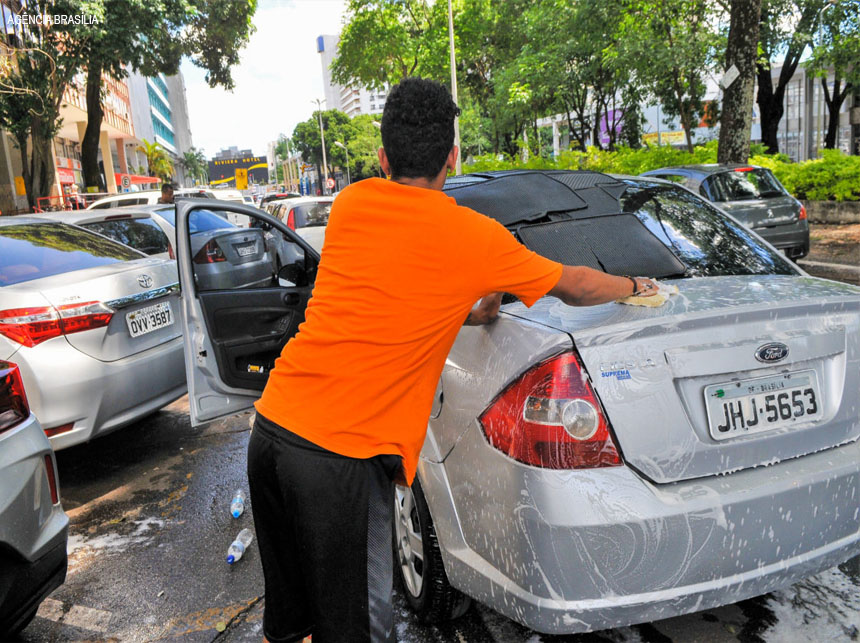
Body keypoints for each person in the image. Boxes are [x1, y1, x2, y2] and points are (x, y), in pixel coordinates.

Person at [247, 77, 657, 643]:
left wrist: (469, 310)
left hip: (271, 433)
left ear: (383, 156)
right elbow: (579, 286)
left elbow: (386, 294)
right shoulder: (472, 236)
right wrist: (637, 284)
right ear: (454, 157)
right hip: (339, 460)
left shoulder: (350, 204)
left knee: (289, 625)